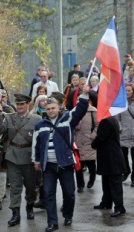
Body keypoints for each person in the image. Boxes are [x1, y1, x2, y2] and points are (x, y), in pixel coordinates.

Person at [33, 85, 90, 232]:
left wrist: (84, 95)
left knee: (69, 193)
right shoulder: (40, 125)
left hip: (65, 164)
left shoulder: (68, 119)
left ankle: (68, 215)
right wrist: (36, 160)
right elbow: (36, 145)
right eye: (48, 108)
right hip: (49, 166)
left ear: (59, 108)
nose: (51, 110)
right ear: (45, 110)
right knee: (49, 194)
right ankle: (53, 223)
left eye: (53, 108)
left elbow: (80, 110)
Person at [0, 94, 41, 227]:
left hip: (29, 157)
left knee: (31, 187)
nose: (19, 106)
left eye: (22, 104)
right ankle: (15, 214)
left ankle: (30, 207)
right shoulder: (8, 117)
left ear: (28, 104)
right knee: (15, 187)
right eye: (18, 104)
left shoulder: (36, 119)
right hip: (13, 156)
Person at [92, 115, 127, 217]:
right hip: (109, 157)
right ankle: (106, 203)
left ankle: (119, 207)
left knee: (115, 184)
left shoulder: (106, 121)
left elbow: (101, 137)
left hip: (112, 157)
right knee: (106, 181)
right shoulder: (110, 119)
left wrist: (93, 144)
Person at [74, 92, 98, 192]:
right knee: (78, 166)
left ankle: (91, 180)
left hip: (89, 142)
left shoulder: (93, 111)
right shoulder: (74, 111)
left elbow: (98, 125)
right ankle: (80, 185)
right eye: (79, 99)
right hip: (77, 142)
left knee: (91, 165)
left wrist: (93, 136)